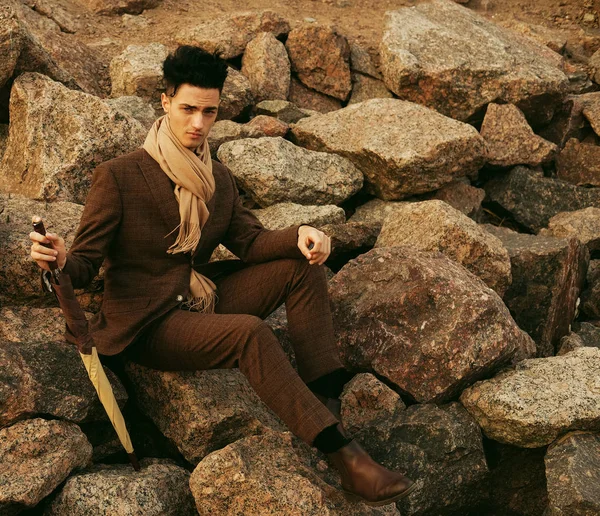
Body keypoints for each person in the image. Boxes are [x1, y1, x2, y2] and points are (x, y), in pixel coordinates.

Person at [29, 45, 417, 506]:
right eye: (188, 108)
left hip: (201, 298)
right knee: (249, 334)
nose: (197, 123)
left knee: (302, 266)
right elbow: (86, 264)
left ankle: (325, 408)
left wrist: (303, 234)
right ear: (165, 101)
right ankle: (346, 459)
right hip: (149, 324)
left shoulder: (219, 178)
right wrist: (57, 257)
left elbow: (250, 242)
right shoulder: (119, 177)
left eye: (208, 112)